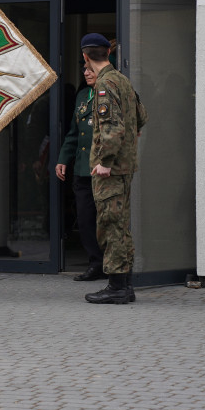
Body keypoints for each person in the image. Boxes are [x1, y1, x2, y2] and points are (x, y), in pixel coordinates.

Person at [81, 32, 145, 304]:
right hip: (126, 166)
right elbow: (142, 116)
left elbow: (112, 128)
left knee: (109, 225)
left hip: (111, 168)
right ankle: (125, 285)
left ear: (86, 56)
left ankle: (116, 286)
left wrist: (104, 162)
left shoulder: (104, 86)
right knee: (121, 225)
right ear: (107, 53)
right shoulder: (123, 81)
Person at [56, 60, 105, 282]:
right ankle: (95, 263)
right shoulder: (83, 96)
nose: (86, 73)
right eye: (84, 69)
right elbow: (74, 132)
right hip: (83, 169)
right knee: (85, 220)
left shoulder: (111, 94)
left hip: (104, 169)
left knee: (108, 221)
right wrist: (63, 158)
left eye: (90, 69)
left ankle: (112, 266)